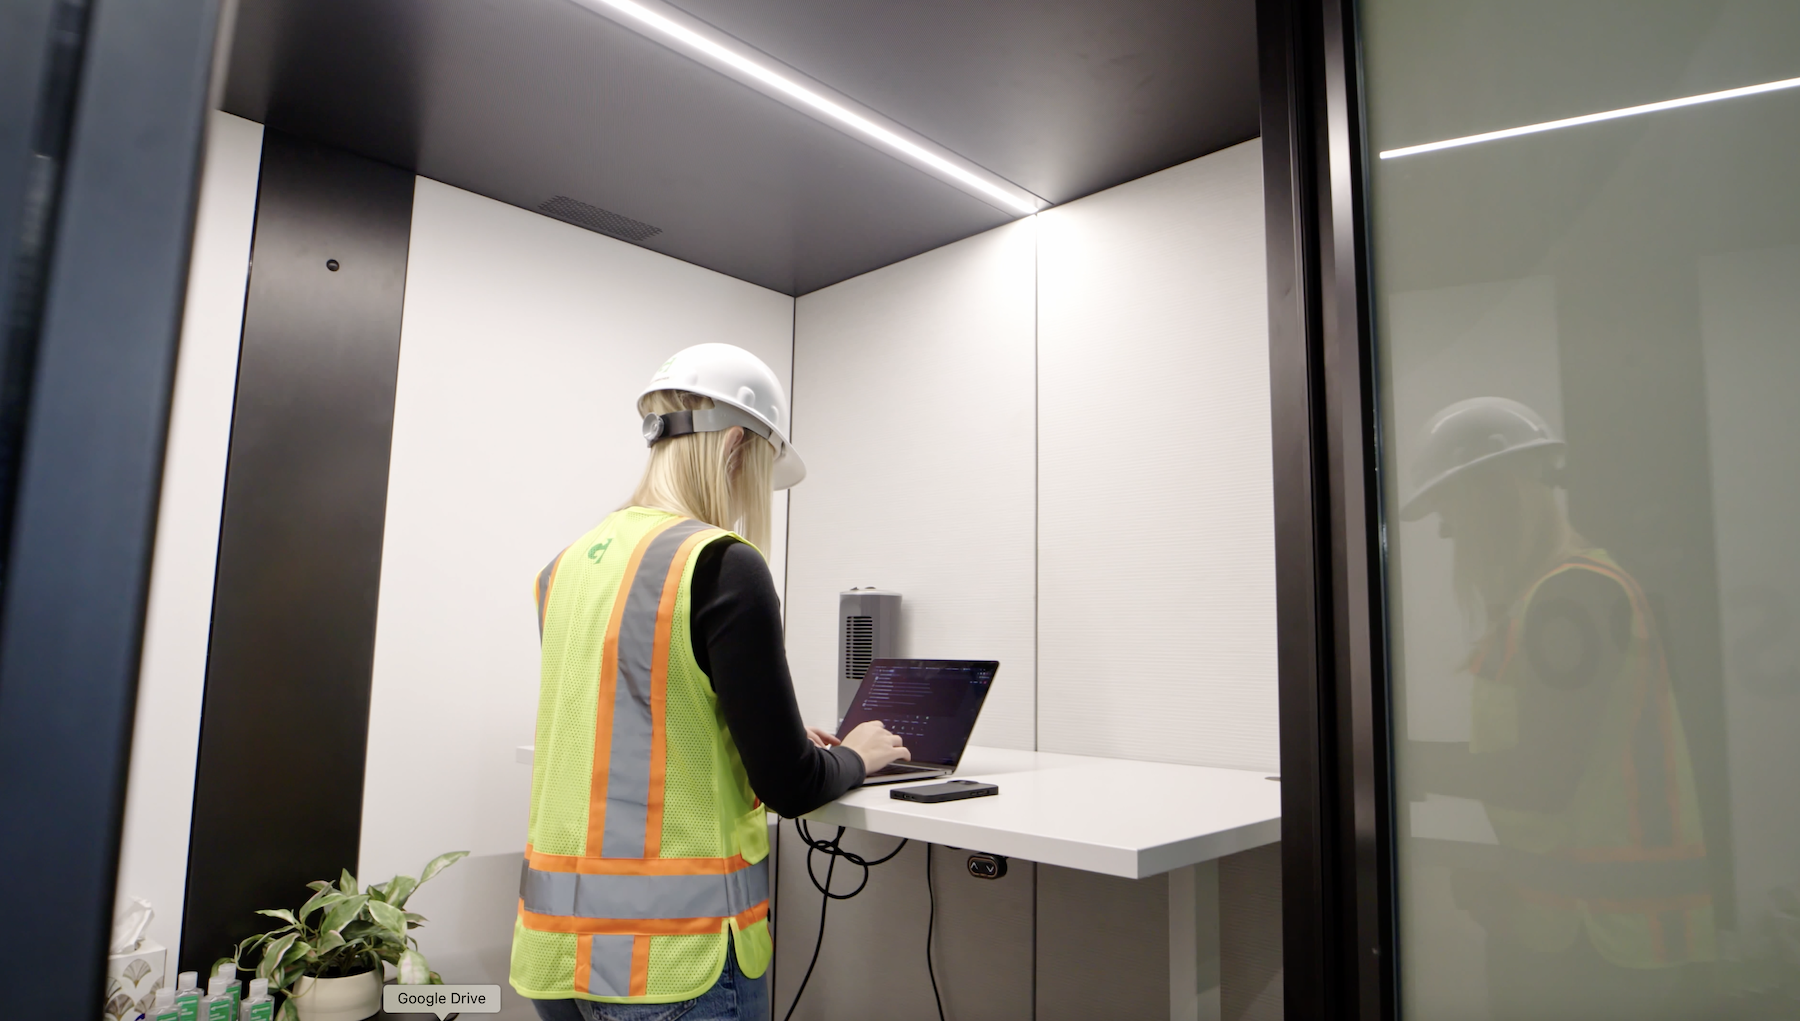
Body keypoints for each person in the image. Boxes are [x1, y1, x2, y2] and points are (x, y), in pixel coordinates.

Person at [510, 343, 909, 1021]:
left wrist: (751, 735)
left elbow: (639, 725)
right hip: (672, 962)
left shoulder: (564, 567)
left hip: (557, 957)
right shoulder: (720, 562)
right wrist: (855, 754)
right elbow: (791, 785)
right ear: (733, 447)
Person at [1402, 397, 1714, 1021]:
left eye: (1450, 512)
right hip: (1566, 923)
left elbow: (1542, 778)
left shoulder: (1573, 598)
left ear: (1493, 495)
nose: (1447, 534)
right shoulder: (1549, 597)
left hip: (1612, 941)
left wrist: (1392, 764)